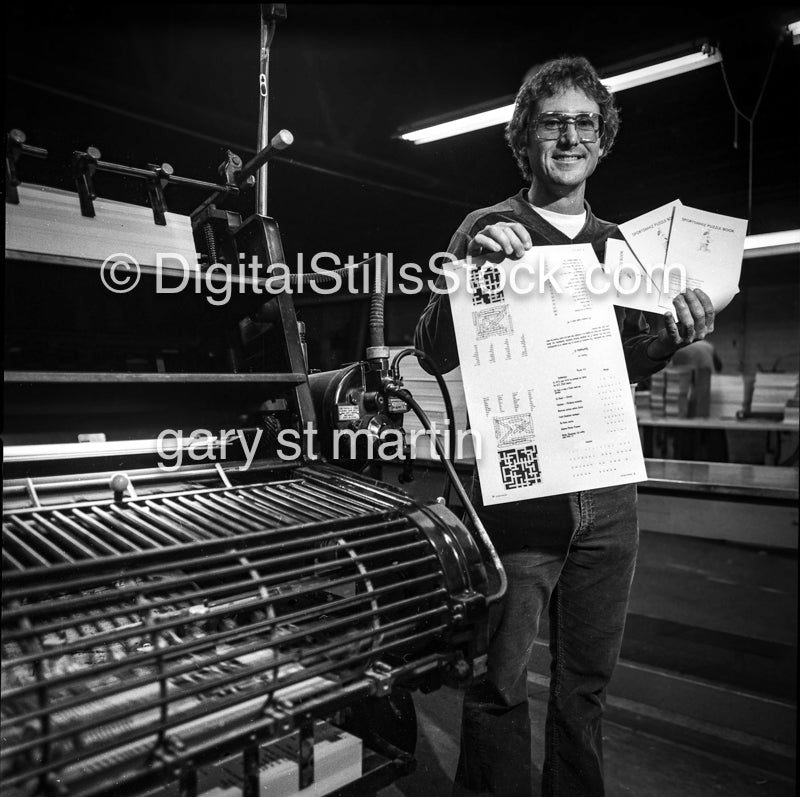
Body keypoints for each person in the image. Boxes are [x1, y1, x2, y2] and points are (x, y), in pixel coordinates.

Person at [414, 56, 715, 796]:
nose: (570, 135)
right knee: (501, 683)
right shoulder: (489, 228)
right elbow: (431, 348)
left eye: (586, 122)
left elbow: (624, 360)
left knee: (584, 690)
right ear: (527, 139)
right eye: (553, 121)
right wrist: (474, 275)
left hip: (609, 497)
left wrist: (672, 338)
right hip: (520, 494)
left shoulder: (617, 245)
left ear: (603, 140)